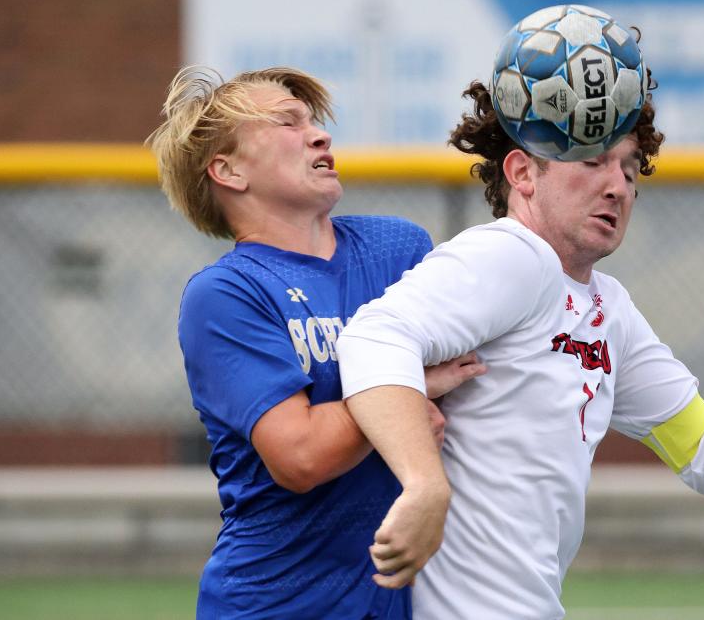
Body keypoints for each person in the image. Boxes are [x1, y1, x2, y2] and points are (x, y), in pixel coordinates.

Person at [335, 76, 704, 617]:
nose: (618, 185)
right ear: (523, 172)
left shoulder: (608, 309)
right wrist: (424, 485)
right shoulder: (510, 255)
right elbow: (374, 338)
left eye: (629, 166)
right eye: (593, 161)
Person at [146, 65, 485, 619]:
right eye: (287, 122)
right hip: (277, 601)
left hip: (397, 600)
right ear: (228, 170)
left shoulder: (398, 247)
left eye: (315, 122)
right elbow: (300, 456)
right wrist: (406, 390)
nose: (321, 135)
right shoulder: (226, 294)